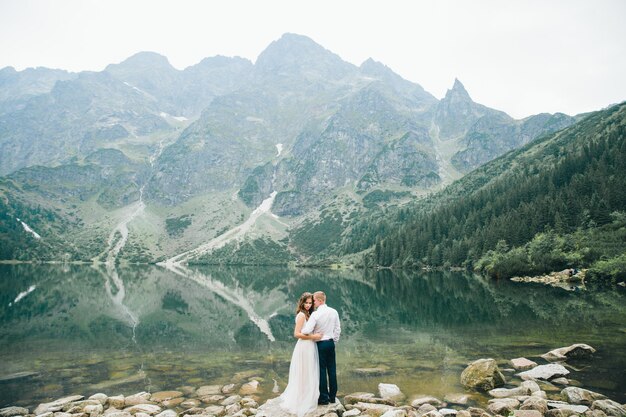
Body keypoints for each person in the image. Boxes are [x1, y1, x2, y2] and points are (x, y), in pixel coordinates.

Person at [279, 292, 323, 417]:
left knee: (309, 371)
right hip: (304, 347)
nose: (308, 305)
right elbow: (296, 334)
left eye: (310, 303)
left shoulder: (309, 314)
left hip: (310, 346)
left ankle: (307, 395)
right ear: (302, 302)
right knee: (303, 372)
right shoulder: (301, 316)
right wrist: (314, 336)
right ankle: (301, 398)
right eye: (306, 303)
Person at [301, 291, 341, 405]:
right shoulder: (334, 311)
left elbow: (307, 330)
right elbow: (337, 329)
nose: (313, 303)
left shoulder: (315, 314)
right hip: (330, 343)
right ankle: (332, 397)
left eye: (314, 301)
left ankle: (323, 398)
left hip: (320, 344)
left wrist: (301, 331)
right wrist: (334, 341)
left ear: (319, 300)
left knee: (321, 371)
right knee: (332, 370)